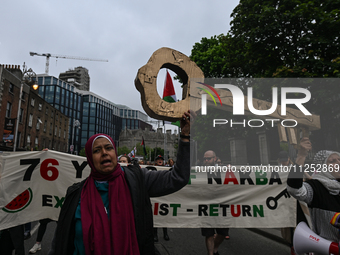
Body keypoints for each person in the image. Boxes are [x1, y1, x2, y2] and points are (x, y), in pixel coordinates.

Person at [48, 110, 191, 255]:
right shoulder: (75, 194)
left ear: (115, 153)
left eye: (108, 148)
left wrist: (185, 137)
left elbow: (178, 178)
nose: (104, 153)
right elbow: (59, 242)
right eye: (97, 150)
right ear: (90, 159)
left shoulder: (137, 179)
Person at [287, 137, 340, 252]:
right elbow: (294, 189)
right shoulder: (316, 187)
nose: (338, 163)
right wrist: (301, 156)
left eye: (339, 159)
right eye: (332, 161)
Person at [201, 150, 229, 255]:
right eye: (205, 159)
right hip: (206, 207)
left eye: (208, 159)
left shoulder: (223, 170)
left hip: (221, 207)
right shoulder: (198, 171)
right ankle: (211, 253)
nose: (206, 161)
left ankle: (215, 248)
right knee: (209, 233)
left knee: (223, 233)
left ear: (215, 159)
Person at [153, 154, 170, 241]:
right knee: (155, 216)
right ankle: (155, 235)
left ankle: (165, 234)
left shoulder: (166, 169)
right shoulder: (152, 169)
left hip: (164, 195)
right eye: (158, 159)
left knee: (164, 215)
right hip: (155, 195)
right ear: (156, 161)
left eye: (161, 159)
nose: (160, 160)